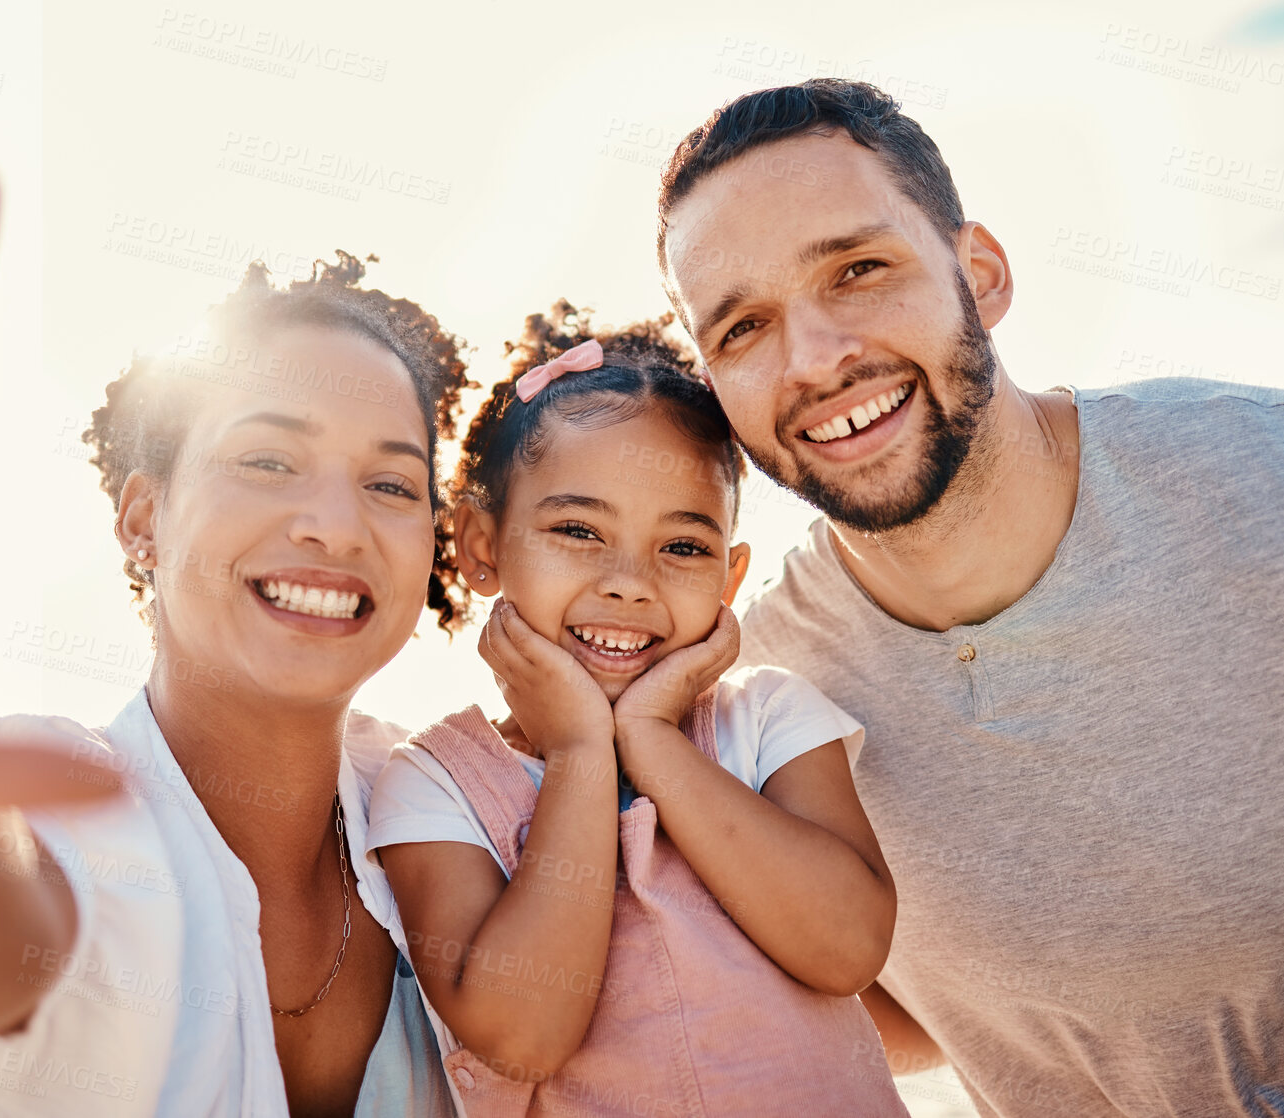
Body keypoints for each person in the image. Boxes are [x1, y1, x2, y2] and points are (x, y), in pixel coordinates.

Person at [654, 79, 1284, 1115]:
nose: (815, 358)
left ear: (979, 274)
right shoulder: (755, 704)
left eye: (858, 269)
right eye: (743, 327)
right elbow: (886, 998)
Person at [0, 109, 463, 1116]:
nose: (335, 524)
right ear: (144, 518)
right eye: (267, 460)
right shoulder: (77, 807)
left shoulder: (451, 816)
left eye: (392, 485)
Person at [367, 304, 910, 1116]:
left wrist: (652, 739)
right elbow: (523, 1035)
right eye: (578, 530)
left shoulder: (766, 723)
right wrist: (583, 754)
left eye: (683, 547)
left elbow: (846, 951)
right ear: (481, 545)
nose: (630, 581)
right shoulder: (434, 784)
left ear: (728, 580)